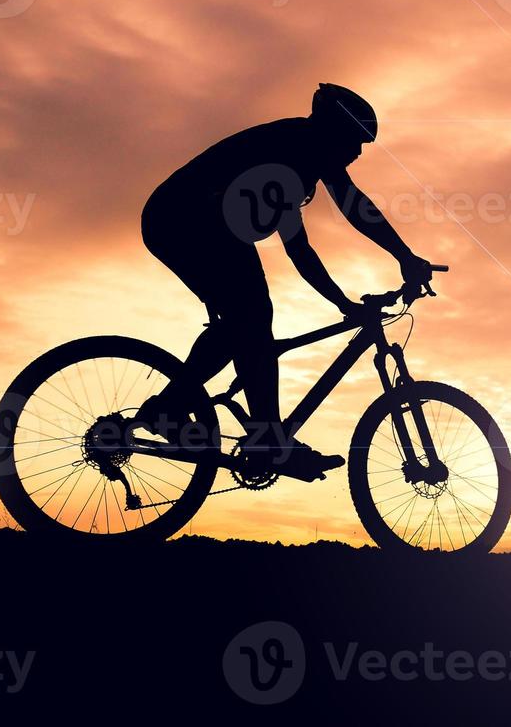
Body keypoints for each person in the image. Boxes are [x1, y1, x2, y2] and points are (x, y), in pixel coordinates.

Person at [133, 84, 437, 479]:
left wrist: (345, 301)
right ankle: (267, 438)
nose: (358, 153)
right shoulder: (292, 150)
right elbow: (349, 206)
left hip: (188, 219)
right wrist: (404, 257)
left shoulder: (295, 159)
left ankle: (168, 410)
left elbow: (301, 247)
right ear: (330, 131)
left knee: (241, 326)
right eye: (354, 142)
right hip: (187, 218)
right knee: (254, 314)